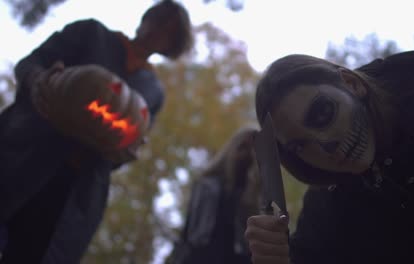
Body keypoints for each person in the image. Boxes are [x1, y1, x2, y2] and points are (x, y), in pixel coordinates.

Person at [0, 0, 193, 263]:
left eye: (169, 31)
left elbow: (125, 145)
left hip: (73, 194)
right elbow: (30, 64)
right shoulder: (91, 33)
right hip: (20, 154)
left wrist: (125, 151)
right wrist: (38, 81)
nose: (157, 31)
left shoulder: (153, 92)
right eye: (158, 20)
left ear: (172, 45)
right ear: (145, 18)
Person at [244, 50, 414, 264]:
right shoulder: (325, 214)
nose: (325, 145)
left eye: (322, 113)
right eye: (300, 145)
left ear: (352, 84)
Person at [171, 127, 261, 264]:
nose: (246, 155)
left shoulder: (256, 194)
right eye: (242, 147)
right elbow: (189, 231)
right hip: (200, 257)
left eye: (253, 150)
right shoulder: (206, 185)